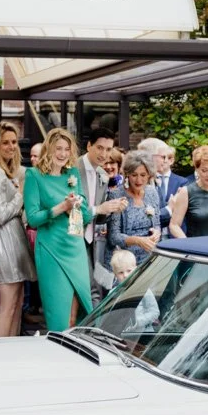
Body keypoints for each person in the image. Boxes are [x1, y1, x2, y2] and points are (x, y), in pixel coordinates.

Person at [24, 128, 95, 332]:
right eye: (58, 148)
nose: (63, 154)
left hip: (75, 247)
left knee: (79, 312)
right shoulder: (34, 175)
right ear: (49, 149)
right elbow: (33, 219)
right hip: (51, 249)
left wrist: (77, 207)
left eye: (66, 149)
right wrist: (61, 207)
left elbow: (85, 218)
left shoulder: (72, 173)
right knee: (59, 316)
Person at [0, 121, 35, 338]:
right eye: (5, 143)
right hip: (2, 238)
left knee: (17, 303)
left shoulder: (5, 171)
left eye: (14, 142)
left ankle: (12, 347)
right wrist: (20, 195)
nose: (11, 146)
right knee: (7, 305)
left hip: (14, 237)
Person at [78, 127, 127, 298]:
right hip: (71, 238)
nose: (104, 154)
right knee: (88, 290)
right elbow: (74, 212)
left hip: (91, 241)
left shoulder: (103, 176)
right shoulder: (72, 169)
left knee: (93, 288)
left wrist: (111, 209)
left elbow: (99, 219)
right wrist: (100, 209)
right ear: (89, 146)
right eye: (100, 148)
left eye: (108, 149)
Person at [108, 150, 164, 265]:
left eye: (143, 175)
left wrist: (156, 232)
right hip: (124, 261)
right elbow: (113, 237)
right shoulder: (116, 195)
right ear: (127, 174)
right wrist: (138, 241)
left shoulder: (152, 192)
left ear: (149, 175)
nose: (139, 180)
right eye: (134, 175)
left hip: (149, 256)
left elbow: (157, 224)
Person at [168, 144, 208, 239]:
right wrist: (187, 243)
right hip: (197, 245)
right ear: (197, 169)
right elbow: (174, 225)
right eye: (204, 170)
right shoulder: (187, 191)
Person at [139, 137, 186, 236]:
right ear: (151, 157)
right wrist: (170, 208)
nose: (165, 161)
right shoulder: (139, 183)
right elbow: (143, 221)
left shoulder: (154, 181)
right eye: (163, 157)